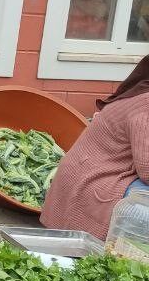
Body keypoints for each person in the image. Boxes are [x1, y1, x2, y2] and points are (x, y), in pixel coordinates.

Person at [41, 56, 149, 239]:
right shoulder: (145, 104)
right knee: (143, 199)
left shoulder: (140, 92)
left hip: (82, 176)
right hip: (92, 183)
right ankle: (127, 250)